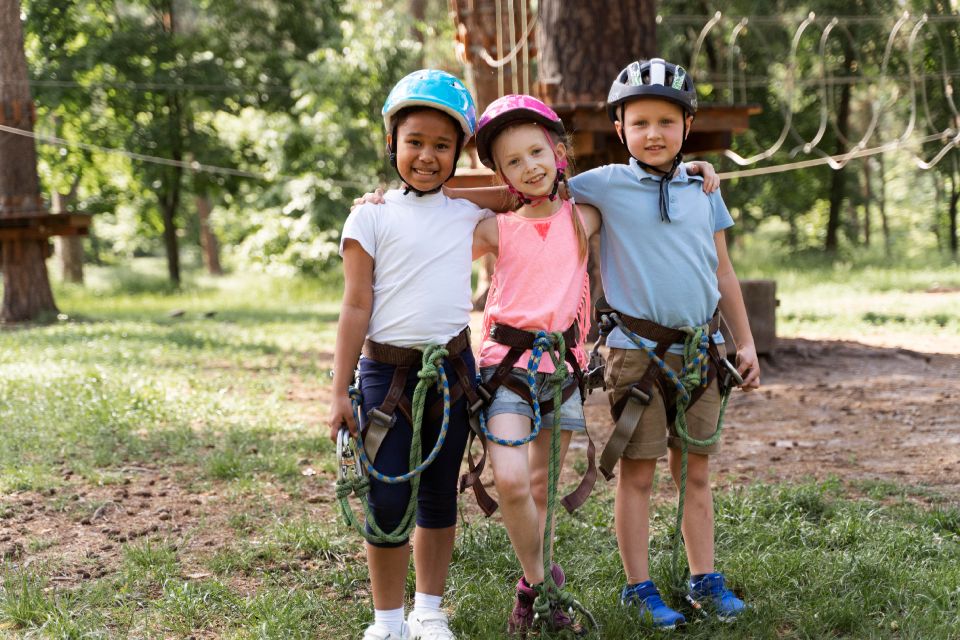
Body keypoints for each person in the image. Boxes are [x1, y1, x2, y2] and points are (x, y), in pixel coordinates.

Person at [565, 57, 761, 629]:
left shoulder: (703, 188)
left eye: (667, 123)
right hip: (635, 355)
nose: (654, 134)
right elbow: (531, 192)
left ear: (687, 127)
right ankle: (638, 586)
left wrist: (744, 344)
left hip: (703, 353)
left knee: (695, 471)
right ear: (620, 128)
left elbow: (723, 272)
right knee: (640, 473)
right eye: (641, 122)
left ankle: (705, 578)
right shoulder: (602, 184)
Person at [328, 69, 491, 640]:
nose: (427, 156)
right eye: (414, 142)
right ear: (391, 143)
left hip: (452, 372)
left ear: (460, 151)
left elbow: (528, 190)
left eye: (442, 145)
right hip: (384, 375)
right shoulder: (369, 215)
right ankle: (387, 620)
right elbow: (354, 306)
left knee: (440, 493)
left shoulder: (468, 213)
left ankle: (430, 610)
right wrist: (338, 391)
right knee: (389, 494)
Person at [469, 95, 601, 637]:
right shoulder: (494, 229)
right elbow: (433, 215)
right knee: (512, 481)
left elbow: (644, 184)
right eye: (513, 162)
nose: (530, 167)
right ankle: (542, 582)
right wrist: (383, 200)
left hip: (562, 369)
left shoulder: (585, 218)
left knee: (543, 489)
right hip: (505, 369)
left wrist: (698, 167)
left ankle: (532, 593)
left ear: (558, 151)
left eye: (537, 152)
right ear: (500, 174)